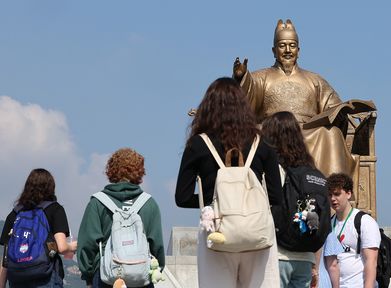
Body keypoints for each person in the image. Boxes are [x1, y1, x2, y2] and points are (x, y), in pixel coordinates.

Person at [175, 77, 282, 288]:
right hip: (256, 233)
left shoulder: (198, 144)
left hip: (216, 232)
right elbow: (276, 196)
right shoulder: (263, 143)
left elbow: (183, 197)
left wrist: (215, 204)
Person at [233, 19, 370, 178]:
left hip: (308, 131)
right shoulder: (260, 77)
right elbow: (245, 101)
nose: (287, 50)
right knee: (256, 133)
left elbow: (332, 107)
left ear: (298, 50)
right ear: (273, 50)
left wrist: (343, 111)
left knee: (332, 134)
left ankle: (333, 188)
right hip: (272, 129)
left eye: (292, 46)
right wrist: (242, 78)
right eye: (282, 45)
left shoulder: (314, 79)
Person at [77, 148, 165, 288]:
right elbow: (157, 246)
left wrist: (88, 275)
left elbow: (87, 244)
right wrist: (156, 269)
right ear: (140, 172)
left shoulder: (97, 203)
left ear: (111, 171)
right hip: (141, 278)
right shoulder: (149, 204)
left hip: (105, 277)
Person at [261, 111, 322, 288]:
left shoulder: (274, 171)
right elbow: (315, 217)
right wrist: (315, 266)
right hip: (305, 258)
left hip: (277, 256)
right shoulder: (311, 173)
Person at [0, 168, 77, 288]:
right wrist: (73, 246)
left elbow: (6, 256)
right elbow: (62, 247)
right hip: (46, 277)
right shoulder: (55, 209)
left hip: (17, 278)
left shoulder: (15, 213)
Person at [327, 173, 380, 288]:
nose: (332, 199)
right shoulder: (329, 223)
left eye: (337, 194)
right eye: (330, 195)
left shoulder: (364, 221)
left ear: (349, 194)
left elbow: (371, 261)